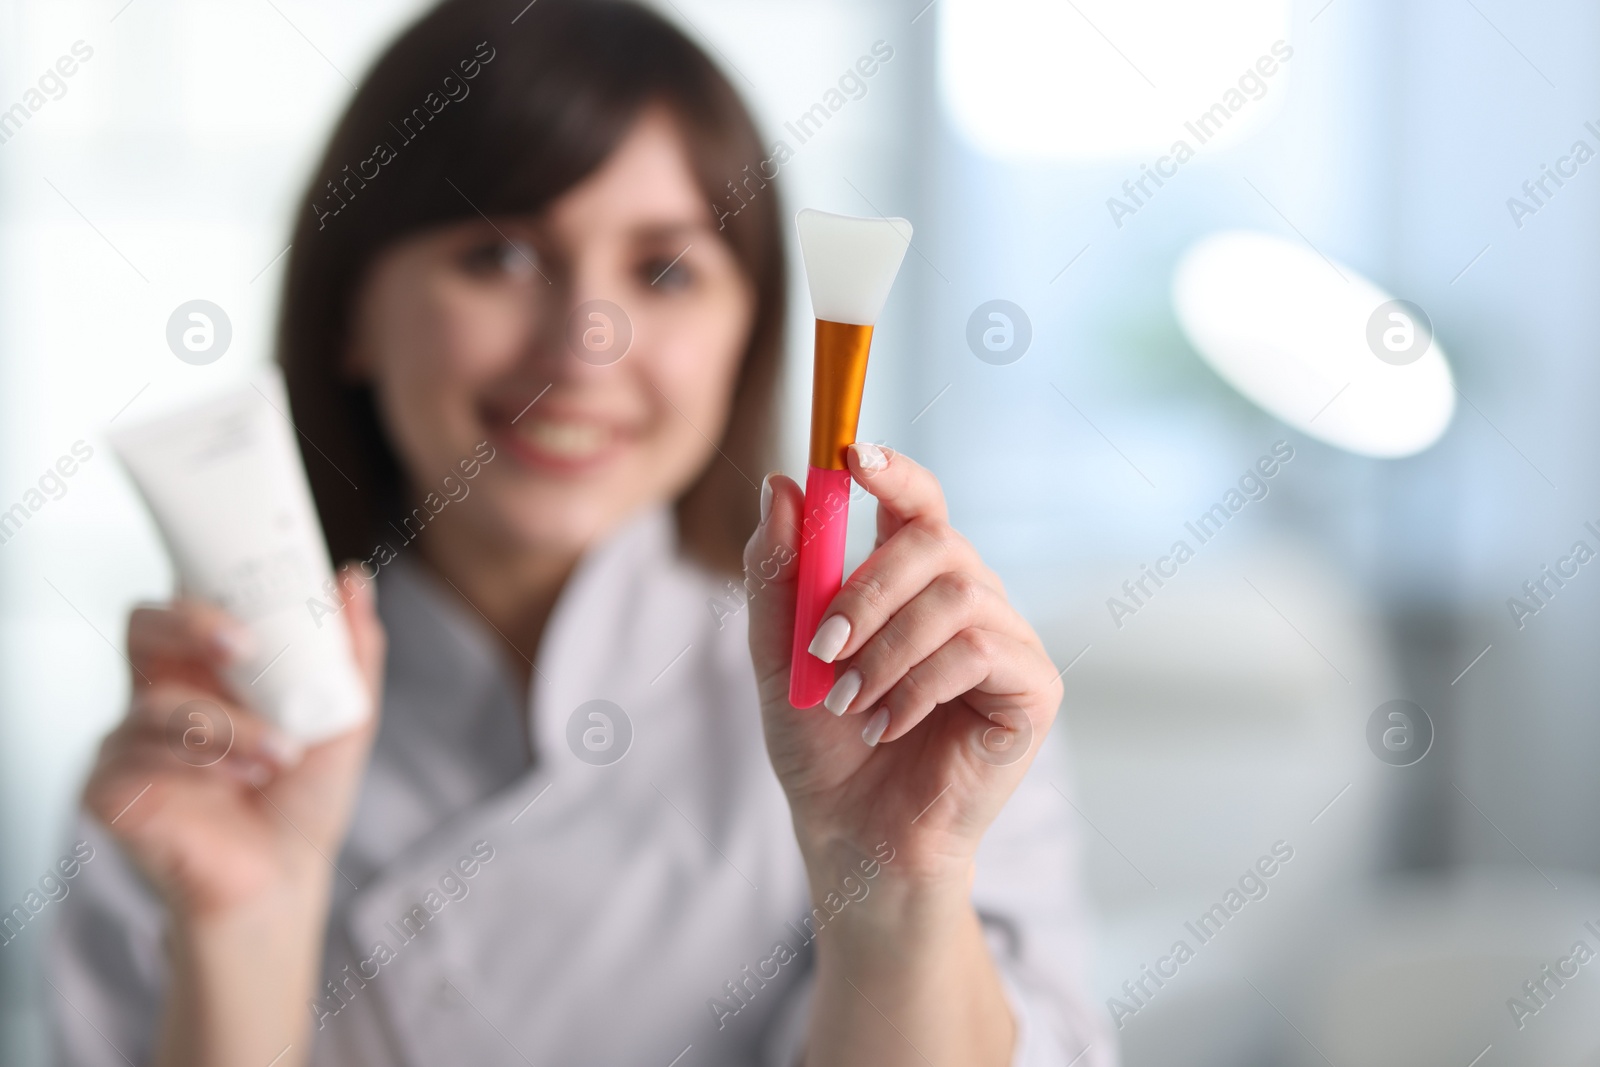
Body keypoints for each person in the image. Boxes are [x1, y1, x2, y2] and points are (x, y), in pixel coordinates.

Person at [48, 1, 1110, 1064]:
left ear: (747, 339)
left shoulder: (909, 709)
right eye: (499, 256)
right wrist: (245, 927)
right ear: (351, 312)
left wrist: (892, 888)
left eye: (664, 271)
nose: (585, 344)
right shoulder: (198, 762)